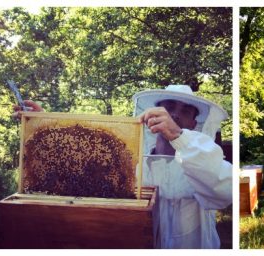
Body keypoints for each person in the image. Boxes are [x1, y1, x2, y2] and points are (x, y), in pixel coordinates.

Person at [14, 84, 231, 249]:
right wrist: (42, 123)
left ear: (194, 124)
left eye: (185, 111)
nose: (174, 114)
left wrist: (177, 136)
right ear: (152, 116)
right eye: (169, 107)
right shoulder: (129, 162)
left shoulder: (203, 159)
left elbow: (223, 190)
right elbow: (77, 168)